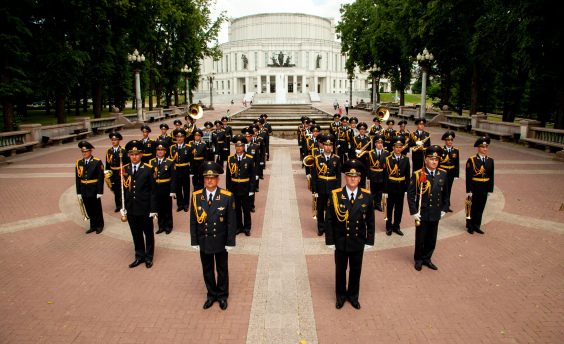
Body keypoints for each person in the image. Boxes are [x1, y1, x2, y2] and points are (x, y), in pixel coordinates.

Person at [325, 159, 375, 310]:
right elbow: (329, 219)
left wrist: (369, 241)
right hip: (341, 240)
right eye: (349, 176)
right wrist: (330, 240)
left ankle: (353, 297)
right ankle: (340, 297)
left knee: (356, 270)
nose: (353, 179)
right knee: (340, 271)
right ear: (345, 178)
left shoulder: (366, 196)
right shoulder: (335, 195)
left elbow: (371, 221)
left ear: (360, 178)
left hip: (357, 240)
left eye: (356, 176)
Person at [190, 161, 237, 310]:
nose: (209, 180)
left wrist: (230, 242)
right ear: (204, 179)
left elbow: (231, 222)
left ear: (218, 179)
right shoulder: (197, 196)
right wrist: (194, 240)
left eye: (213, 178)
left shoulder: (227, 196)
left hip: (220, 240)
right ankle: (211, 295)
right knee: (207, 269)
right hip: (204, 240)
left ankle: (222, 295)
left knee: (222, 269)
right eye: (207, 178)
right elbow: (193, 220)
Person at [407, 145, 449, 271]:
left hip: (436, 211)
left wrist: (445, 207)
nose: (434, 162)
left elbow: (445, 193)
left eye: (436, 160)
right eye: (431, 159)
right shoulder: (418, 174)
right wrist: (414, 211)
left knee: (432, 238)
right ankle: (419, 259)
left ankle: (427, 258)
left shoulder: (443, 174)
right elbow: (411, 194)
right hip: (423, 211)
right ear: (426, 160)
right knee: (421, 237)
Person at [121, 140, 158, 268]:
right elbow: (123, 190)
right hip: (131, 208)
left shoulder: (148, 169)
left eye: (137, 154)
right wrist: (123, 206)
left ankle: (149, 257)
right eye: (132, 154)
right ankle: (139, 256)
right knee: (136, 234)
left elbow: (153, 191)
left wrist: (153, 209)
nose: (134, 156)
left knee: (148, 233)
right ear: (128, 155)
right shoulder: (125, 169)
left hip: (145, 208)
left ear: (141, 154)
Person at [226, 135, 256, 236]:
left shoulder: (249, 158)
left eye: (241, 146)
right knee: (236, 208)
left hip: (245, 188)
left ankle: (247, 227)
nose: (238, 148)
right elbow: (228, 176)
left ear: (244, 147)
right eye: (237, 146)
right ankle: (239, 226)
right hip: (234, 188)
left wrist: (252, 189)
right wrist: (228, 189)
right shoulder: (230, 159)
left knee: (246, 209)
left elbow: (252, 175)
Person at [311, 135, 341, 236]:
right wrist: (314, 190)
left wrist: (338, 189)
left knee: (331, 208)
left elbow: (338, 176)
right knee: (320, 208)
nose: (328, 147)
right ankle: (321, 227)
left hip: (332, 187)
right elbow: (314, 175)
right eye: (326, 145)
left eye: (330, 145)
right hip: (320, 186)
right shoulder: (317, 158)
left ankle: (329, 227)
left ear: (332, 146)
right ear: (323, 145)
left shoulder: (336, 159)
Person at [465, 137, 494, 234]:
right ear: (478, 148)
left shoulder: (490, 160)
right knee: (472, 208)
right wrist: (469, 191)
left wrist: (490, 189)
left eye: (486, 147)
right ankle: (470, 226)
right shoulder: (472, 160)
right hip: (475, 187)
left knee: (480, 208)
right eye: (482, 147)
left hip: (484, 187)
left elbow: (491, 176)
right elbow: (468, 177)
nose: (485, 149)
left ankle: (477, 226)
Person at [382, 136, 411, 236]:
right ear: (393, 147)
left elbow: (407, 175)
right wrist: (384, 191)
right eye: (397, 147)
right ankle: (388, 226)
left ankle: (396, 226)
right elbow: (385, 176)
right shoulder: (388, 159)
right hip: (391, 187)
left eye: (400, 147)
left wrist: (407, 188)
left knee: (399, 208)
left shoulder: (406, 159)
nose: (398, 149)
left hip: (401, 187)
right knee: (389, 208)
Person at [75, 141, 105, 234]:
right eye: (83, 151)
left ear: (90, 151)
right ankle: (93, 225)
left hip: (94, 189)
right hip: (84, 189)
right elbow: (77, 178)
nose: (84, 153)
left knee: (96, 208)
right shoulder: (79, 163)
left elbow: (100, 177)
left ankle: (100, 225)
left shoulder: (96, 162)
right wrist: (78, 192)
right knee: (88, 208)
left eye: (86, 151)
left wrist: (100, 191)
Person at [150, 140, 177, 234]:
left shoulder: (170, 162)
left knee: (167, 208)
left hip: (166, 188)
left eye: (162, 150)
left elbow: (173, 178)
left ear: (165, 151)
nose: (160, 152)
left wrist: (173, 191)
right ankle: (161, 226)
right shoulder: (151, 162)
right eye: (158, 150)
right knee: (159, 208)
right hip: (156, 188)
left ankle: (168, 226)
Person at [105, 132, 130, 213]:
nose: (114, 141)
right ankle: (118, 205)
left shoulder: (123, 151)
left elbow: (127, 163)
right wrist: (107, 174)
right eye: (112, 140)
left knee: (123, 188)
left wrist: (126, 173)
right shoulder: (109, 151)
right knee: (115, 189)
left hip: (121, 172)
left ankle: (124, 204)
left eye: (115, 140)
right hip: (113, 173)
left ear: (119, 141)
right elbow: (107, 164)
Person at [170, 128, 191, 212]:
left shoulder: (188, 147)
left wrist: (191, 172)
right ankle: (180, 204)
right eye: (178, 137)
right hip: (176, 171)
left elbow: (191, 160)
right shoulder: (172, 147)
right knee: (178, 188)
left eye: (181, 137)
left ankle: (186, 204)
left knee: (186, 188)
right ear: (176, 138)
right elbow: (171, 160)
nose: (179, 139)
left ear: (183, 138)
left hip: (185, 170)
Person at [368, 134, 389, 212]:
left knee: (380, 191)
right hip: (373, 174)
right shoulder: (370, 153)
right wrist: (368, 176)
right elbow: (368, 165)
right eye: (378, 143)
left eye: (381, 143)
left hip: (382, 175)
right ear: (375, 144)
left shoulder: (386, 153)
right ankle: (373, 204)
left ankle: (378, 204)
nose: (380, 145)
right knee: (373, 191)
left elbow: (387, 166)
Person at [439, 131, 459, 212]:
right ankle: (440, 204)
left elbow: (457, 163)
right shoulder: (441, 150)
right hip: (443, 171)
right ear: (445, 141)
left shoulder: (455, 150)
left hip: (451, 172)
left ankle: (446, 205)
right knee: (441, 188)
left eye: (451, 140)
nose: (450, 142)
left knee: (449, 189)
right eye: (448, 140)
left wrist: (456, 174)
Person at [352, 122, 370, 188]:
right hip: (357, 159)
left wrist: (366, 152)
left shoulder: (368, 139)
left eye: (363, 129)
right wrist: (355, 150)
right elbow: (351, 148)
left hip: (365, 159)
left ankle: (363, 188)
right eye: (361, 129)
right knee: (357, 174)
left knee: (364, 175)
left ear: (365, 130)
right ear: (359, 130)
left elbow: (370, 149)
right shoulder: (355, 138)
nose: (362, 131)